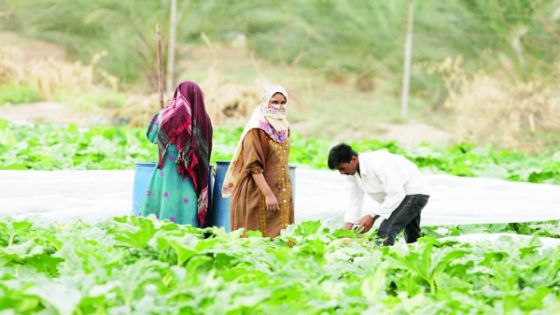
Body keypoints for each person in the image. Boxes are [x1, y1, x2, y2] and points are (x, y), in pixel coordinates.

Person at [221, 85, 293, 237]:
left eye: (282, 102)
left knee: (281, 241)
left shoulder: (284, 127)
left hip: (281, 192)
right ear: (266, 102)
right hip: (258, 191)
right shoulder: (257, 128)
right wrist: (268, 194)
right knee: (256, 238)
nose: (278, 106)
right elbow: (253, 165)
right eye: (274, 102)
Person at [141, 81, 213, 227]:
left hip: (166, 173)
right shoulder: (204, 121)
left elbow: (151, 136)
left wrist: (161, 114)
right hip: (192, 176)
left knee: (163, 209)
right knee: (188, 211)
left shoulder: (166, 116)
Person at [327, 143, 429, 246]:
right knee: (412, 235)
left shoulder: (377, 163)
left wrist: (372, 215)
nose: (341, 173)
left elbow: (396, 193)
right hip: (401, 195)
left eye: (342, 168)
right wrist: (345, 232)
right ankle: (418, 254)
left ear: (353, 159)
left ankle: (383, 258)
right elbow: (354, 201)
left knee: (386, 231)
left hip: (414, 192)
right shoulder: (350, 173)